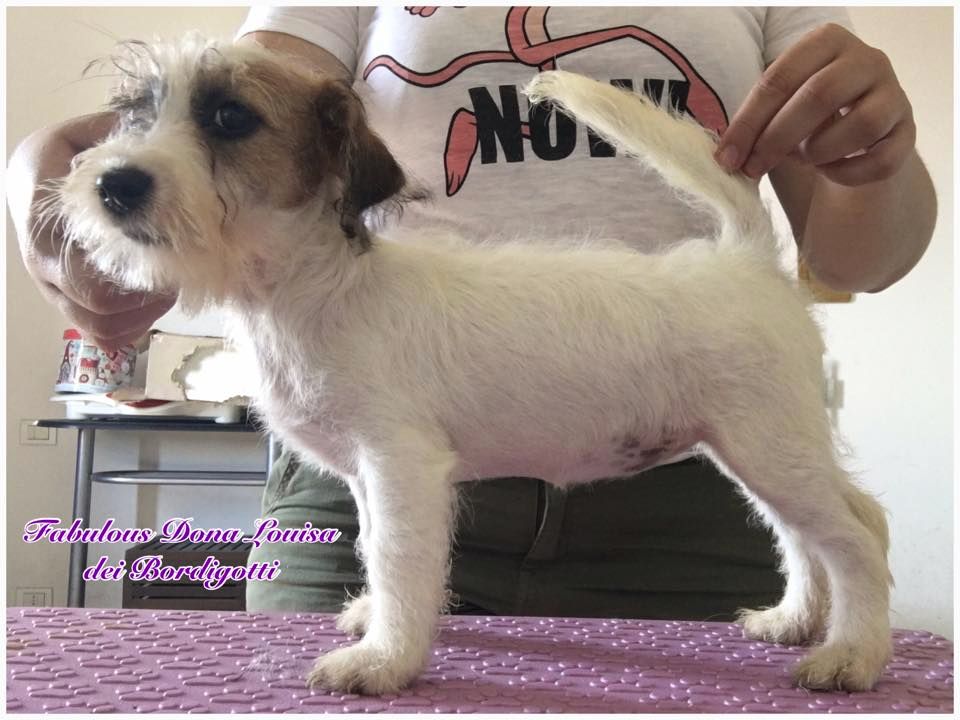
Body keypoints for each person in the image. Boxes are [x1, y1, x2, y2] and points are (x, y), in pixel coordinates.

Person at [10, 7, 935, 619]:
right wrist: (41, 163)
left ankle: (847, 602)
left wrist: (878, 153)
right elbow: (252, 92)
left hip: (683, 512)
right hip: (351, 522)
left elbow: (858, 257)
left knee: (802, 499)